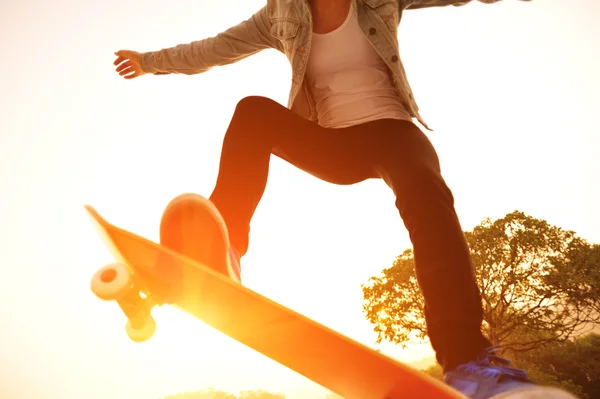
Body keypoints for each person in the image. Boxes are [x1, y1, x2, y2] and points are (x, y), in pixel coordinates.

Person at [112, 1, 574, 398]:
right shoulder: (280, 13)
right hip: (332, 145)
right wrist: (150, 61)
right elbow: (214, 48)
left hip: (393, 135)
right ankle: (223, 251)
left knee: (423, 187)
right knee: (252, 112)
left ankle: (469, 360)